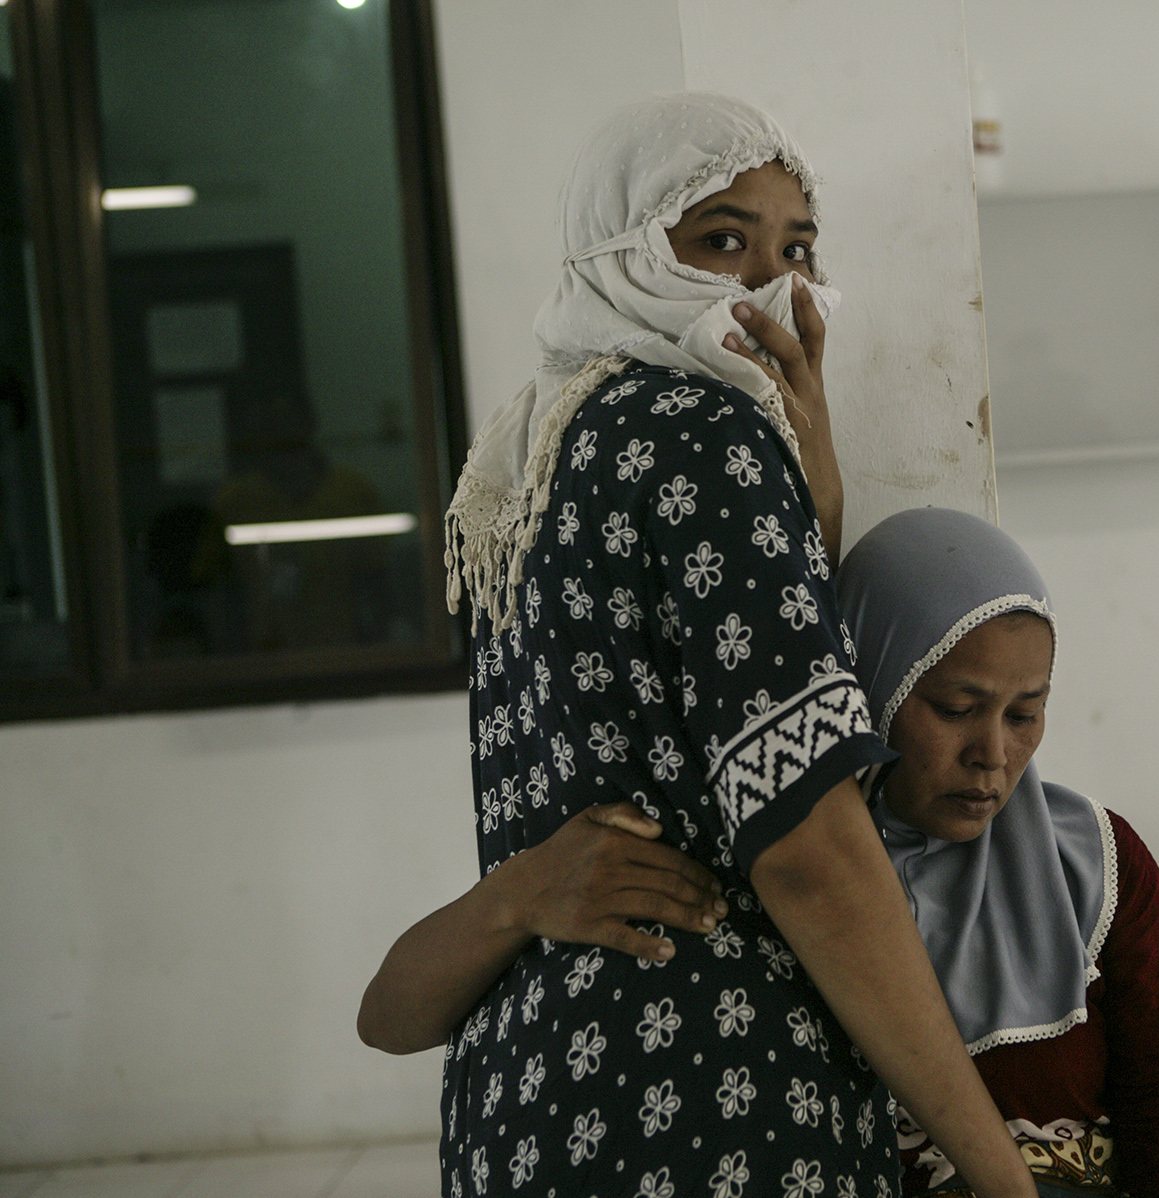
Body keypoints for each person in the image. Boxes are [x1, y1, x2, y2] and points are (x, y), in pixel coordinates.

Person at [357, 94, 1035, 1198]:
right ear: (622, 247)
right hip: (710, 1090)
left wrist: (812, 500)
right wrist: (996, 1171)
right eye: (721, 240)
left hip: (532, 1098)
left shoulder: (535, 456)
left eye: (796, 248)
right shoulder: (701, 435)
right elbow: (807, 848)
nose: (769, 288)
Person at [836, 507, 1159, 1198]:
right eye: (954, 709)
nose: (993, 756)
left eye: (1023, 713)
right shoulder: (799, 880)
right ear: (870, 686)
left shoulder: (1093, 866)